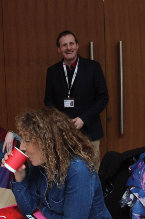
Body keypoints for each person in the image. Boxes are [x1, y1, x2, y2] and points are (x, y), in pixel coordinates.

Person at [2, 107, 119, 219]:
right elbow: (28, 208)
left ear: (48, 142)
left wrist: (42, 208)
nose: (22, 147)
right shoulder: (40, 163)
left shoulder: (78, 169)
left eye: (27, 140)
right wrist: (19, 177)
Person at [44, 30, 109, 169]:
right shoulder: (52, 71)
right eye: (64, 45)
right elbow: (48, 101)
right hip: (63, 134)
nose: (68, 48)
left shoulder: (93, 67)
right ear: (59, 49)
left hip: (89, 132)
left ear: (77, 46)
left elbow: (103, 97)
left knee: (91, 173)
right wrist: (60, 120)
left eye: (71, 43)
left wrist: (83, 118)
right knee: (66, 173)